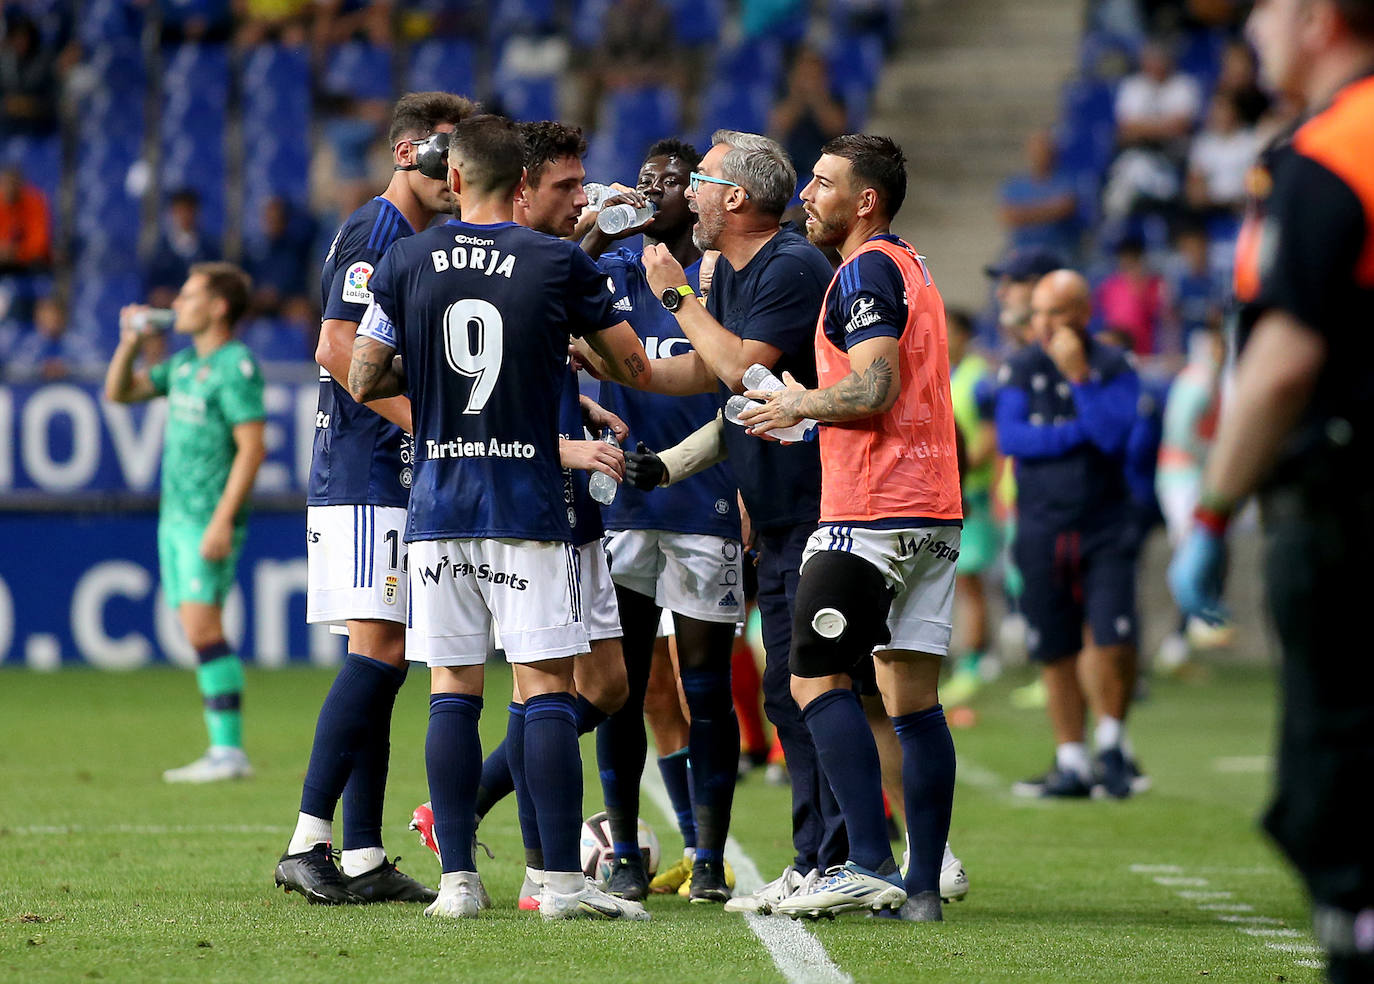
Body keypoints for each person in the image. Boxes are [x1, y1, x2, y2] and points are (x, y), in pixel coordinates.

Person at [347, 112, 653, 921]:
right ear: (521, 185)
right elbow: (630, 362)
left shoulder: (404, 260)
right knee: (545, 685)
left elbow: (366, 375)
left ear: (453, 181)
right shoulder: (555, 261)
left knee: (452, 688)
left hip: (440, 502)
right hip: (527, 505)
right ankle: (557, 885)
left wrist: (441, 379)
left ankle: (456, 886)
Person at [1170, 2, 1374, 978]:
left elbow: (1286, 355)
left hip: (1348, 506)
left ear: (1323, 19)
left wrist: (1212, 511)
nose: (1253, 26)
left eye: (1270, 7)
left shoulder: (1333, 150)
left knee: (1336, 789)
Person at [734, 134, 960, 922]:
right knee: (912, 702)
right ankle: (922, 887)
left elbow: (875, 385)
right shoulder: (912, 266)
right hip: (934, 508)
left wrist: (799, 403)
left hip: (871, 507)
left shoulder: (863, 270)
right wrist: (808, 408)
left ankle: (863, 860)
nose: (808, 195)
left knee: (811, 677)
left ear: (865, 200)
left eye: (824, 184)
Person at [619, 129, 842, 911]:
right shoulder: (745, 269)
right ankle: (825, 858)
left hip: (819, 509)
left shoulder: (786, 267)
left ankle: (844, 858)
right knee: (792, 691)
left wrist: (675, 293)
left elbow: (738, 368)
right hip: (779, 513)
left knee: (820, 689)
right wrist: (614, 362)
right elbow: (705, 385)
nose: (692, 196)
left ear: (736, 197)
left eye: (703, 181)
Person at [273, 91, 476, 907]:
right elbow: (334, 345)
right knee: (380, 654)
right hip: (367, 470)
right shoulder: (380, 228)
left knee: (386, 662)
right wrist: (427, 426)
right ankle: (308, 840)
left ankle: (360, 852)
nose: (454, 171)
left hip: (379, 469)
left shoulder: (400, 233)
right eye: (442, 152)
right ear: (406, 153)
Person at [582, 138, 746, 902]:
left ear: (699, 194)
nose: (652, 192)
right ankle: (622, 850)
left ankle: (708, 856)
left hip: (701, 501)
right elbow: (551, 280)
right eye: (643, 181)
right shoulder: (607, 272)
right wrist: (598, 224)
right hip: (621, 502)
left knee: (705, 685)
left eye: (671, 182)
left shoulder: (712, 280)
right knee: (624, 684)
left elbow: (735, 378)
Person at [104, 263, 265, 783]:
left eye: (190, 295)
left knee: (203, 628)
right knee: (196, 629)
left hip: (205, 519)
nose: (178, 303)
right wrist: (131, 342)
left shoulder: (235, 364)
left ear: (218, 308)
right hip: (174, 519)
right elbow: (119, 393)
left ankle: (228, 751)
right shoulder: (185, 365)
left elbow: (252, 449)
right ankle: (223, 750)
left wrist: (221, 521)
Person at [995, 270, 1144, 800]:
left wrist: (1079, 378)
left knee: (1112, 637)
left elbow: (1112, 436)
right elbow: (1013, 439)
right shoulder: (1020, 366)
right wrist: (1074, 433)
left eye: (1055, 313)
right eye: (1038, 312)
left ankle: (1112, 743)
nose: (1044, 324)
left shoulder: (1112, 364)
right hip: (1039, 524)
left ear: (1082, 314)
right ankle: (1072, 760)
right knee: (1054, 646)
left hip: (1105, 524)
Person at [940, 308, 1000, 705]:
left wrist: (958, 471)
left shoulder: (980, 380)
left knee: (970, 582)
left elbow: (989, 438)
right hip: (945, 493)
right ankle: (965, 659)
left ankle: (974, 663)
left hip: (970, 494)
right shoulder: (942, 373)